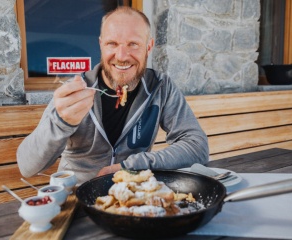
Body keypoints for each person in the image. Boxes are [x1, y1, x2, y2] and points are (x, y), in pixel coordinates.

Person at [17, 6, 209, 183]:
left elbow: (197, 146)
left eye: (133, 44)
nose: (122, 56)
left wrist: (131, 166)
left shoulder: (161, 87)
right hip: (77, 196)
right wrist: (61, 122)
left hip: (131, 194)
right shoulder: (76, 90)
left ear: (149, 47)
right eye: (112, 43)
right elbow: (27, 167)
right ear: (101, 45)